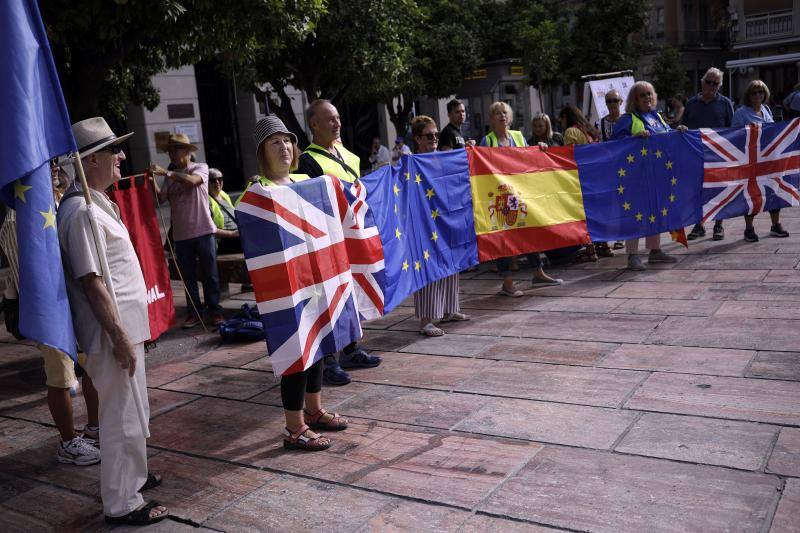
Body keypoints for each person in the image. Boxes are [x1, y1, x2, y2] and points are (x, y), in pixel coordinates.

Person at [58, 117, 167, 525]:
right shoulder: (82, 211)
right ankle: (122, 502)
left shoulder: (97, 204)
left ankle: (133, 478)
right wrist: (120, 335)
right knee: (120, 417)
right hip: (110, 334)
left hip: (124, 330)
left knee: (135, 411)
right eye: (113, 150)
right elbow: (92, 282)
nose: (122, 156)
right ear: (92, 161)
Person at [248, 115, 348, 451]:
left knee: (317, 343)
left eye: (288, 140)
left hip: (317, 279)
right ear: (262, 151)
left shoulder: (307, 180)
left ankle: (314, 409)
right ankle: (294, 428)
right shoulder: (259, 191)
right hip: (288, 288)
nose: (284, 147)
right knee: (296, 350)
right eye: (274, 141)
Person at [0, 159, 101, 467]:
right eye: (47, 163)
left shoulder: (59, 199)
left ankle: (95, 429)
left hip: (74, 301)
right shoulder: (18, 217)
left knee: (93, 367)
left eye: (56, 161)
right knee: (61, 376)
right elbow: (26, 277)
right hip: (50, 310)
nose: (55, 167)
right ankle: (68, 441)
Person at [297, 100, 381, 385]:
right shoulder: (307, 160)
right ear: (314, 124)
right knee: (329, 299)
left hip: (351, 240)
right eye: (330, 119)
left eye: (338, 118)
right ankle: (329, 359)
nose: (337, 123)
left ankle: (351, 347)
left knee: (351, 294)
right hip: (327, 242)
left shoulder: (347, 155)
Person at [150, 134, 224, 328]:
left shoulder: (200, 168)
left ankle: (214, 311)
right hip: (181, 236)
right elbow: (162, 199)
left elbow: (193, 181)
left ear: (188, 151)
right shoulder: (171, 175)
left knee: (210, 275)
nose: (172, 154)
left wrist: (167, 173)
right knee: (188, 278)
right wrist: (152, 180)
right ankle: (194, 313)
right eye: (170, 151)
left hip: (203, 231)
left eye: (176, 150)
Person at [612, 81, 685, 271]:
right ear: (634, 99)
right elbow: (614, 146)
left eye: (650, 94)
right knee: (634, 214)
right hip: (635, 177)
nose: (647, 98)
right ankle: (632, 256)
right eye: (642, 95)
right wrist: (633, 139)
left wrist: (679, 132)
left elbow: (667, 137)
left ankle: (655, 251)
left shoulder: (657, 117)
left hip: (657, 175)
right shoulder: (627, 119)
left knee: (655, 211)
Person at [409, 115, 470, 336]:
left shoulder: (444, 158)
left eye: (436, 134)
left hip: (445, 218)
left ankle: (449, 309)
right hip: (424, 223)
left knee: (451, 263)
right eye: (429, 135)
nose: (434, 138)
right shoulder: (412, 162)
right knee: (429, 267)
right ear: (417, 138)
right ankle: (425, 320)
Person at [732, 80, 789, 242]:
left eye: (761, 92)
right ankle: (749, 229)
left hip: (769, 160)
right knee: (752, 194)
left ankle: (775, 225)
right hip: (751, 161)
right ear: (748, 96)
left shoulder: (766, 110)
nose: (758, 95)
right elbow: (734, 136)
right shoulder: (741, 113)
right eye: (754, 92)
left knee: (773, 191)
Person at [683, 67, 734, 241]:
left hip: (719, 156)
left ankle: (719, 224)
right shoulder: (691, 104)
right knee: (698, 191)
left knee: (719, 189)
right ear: (702, 82)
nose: (711, 86)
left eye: (715, 83)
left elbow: (732, 130)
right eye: (708, 82)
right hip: (697, 155)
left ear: (720, 85)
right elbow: (684, 128)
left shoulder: (725, 103)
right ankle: (700, 224)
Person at [561, 105, 608, 259]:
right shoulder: (590, 131)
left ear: (566, 118)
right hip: (597, 176)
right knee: (597, 212)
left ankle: (590, 250)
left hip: (581, 177)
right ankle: (605, 246)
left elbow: (570, 155)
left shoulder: (570, 132)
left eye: (561, 119)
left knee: (585, 213)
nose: (560, 122)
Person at [598, 91, 625, 250]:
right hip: (608, 168)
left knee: (623, 203)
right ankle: (607, 237)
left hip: (625, 167)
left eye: (615, 100)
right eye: (609, 101)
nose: (612, 104)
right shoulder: (600, 123)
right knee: (609, 204)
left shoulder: (627, 120)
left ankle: (622, 236)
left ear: (620, 101)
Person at [208, 168, 240, 254]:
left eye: (220, 179)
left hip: (237, 233)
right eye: (212, 180)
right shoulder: (206, 201)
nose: (217, 182)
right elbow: (209, 229)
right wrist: (233, 234)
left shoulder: (224, 195)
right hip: (225, 240)